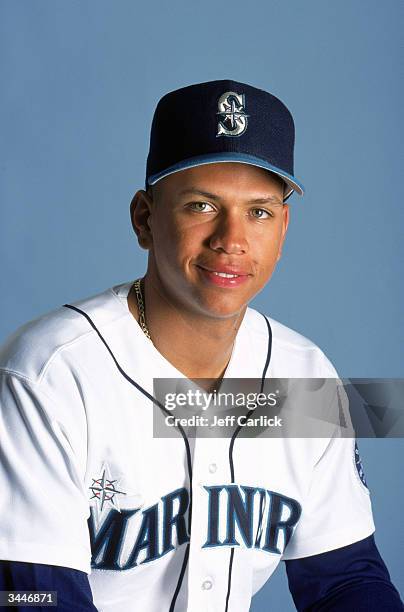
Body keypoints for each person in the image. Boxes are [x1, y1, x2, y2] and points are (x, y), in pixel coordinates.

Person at [0, 80, 402, 612]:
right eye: (201, 206)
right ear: (144, 219)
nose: (231, 239)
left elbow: (348, 582)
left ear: (283, 228)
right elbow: (33, 597)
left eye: (258, 212)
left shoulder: (303, 375)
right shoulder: (50, 374)